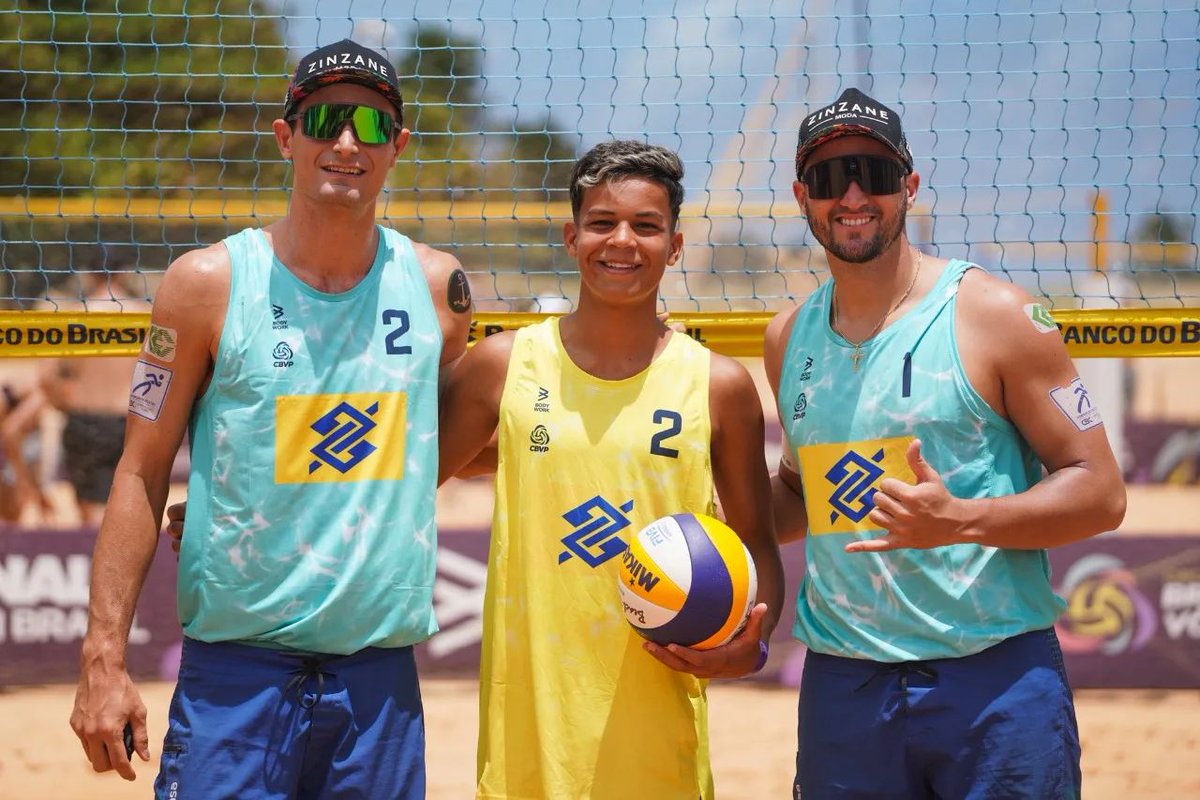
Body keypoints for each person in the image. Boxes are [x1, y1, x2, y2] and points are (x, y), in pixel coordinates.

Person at [69, 39, 471, 797]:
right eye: (325, 120)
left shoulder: (438, 288)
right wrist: (102, 660)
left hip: (379, 682)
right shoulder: (204, 286)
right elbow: (140, 469)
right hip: (237, 675)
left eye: (374, 126)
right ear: (287, 136)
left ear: (399, 147)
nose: (348, 142)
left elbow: (445, 445)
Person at [764, 87, 1127, 799]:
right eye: (833, 179)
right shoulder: (788, 337)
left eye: (873, 172)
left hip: (991, 676)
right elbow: (796, 495)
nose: (855, 195)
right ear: (804, 197)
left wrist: (961, 520)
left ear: (910, 185)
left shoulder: (999, 314)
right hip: (845, 683)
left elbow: (1100, 490)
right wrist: (706, 511)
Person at [436, 139, 785, 799]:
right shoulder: (503, 367)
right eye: (602, 223)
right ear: (571, 237)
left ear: (675, 246)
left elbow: (756, 545)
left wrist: (753, 640)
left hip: (656, 731)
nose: (621, 241)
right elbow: (400, 482)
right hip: (529, 742)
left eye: (646, 226)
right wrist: (252, 504)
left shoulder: (718, 386)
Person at [39, 269, 144, 525]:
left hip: (85, 417)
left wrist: (61, 403)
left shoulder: (76, 314)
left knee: (89, 509)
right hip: (130, 420)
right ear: (125, 273)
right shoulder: (142, 313)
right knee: (128, 501)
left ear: (90, 275)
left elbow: (47, 377)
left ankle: (99, 561)